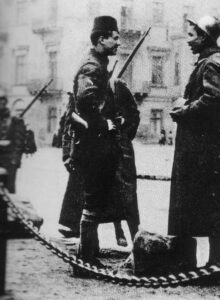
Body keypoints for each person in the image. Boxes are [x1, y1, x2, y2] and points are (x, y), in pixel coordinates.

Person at [168, 16, 220, 266]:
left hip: (203, 148)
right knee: (211, 204)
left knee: (208, 203)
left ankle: (213, 264)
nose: (188, 41)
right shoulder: (211, 61)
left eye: (191, 36)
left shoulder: (210, 64)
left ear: (204, 38)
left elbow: (214, 99)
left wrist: (183, 111)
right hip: (204, 146)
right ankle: (209, 263)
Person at [70, 16, 139, 266]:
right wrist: (104, 124)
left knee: (95, 201)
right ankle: (86, 260)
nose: (118, 41)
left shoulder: (99, 63)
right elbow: (85, 101)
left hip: (98, 145)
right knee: (93, 201)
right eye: (115, 37)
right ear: (101, 39)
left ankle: (85, 257)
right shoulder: (92, 66)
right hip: (95, 146)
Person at [0, 96, 27, 194]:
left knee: (9, 190)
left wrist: (15, 159)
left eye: (2, 102)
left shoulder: (15, 120)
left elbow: (19, 142)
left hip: (9, 159)